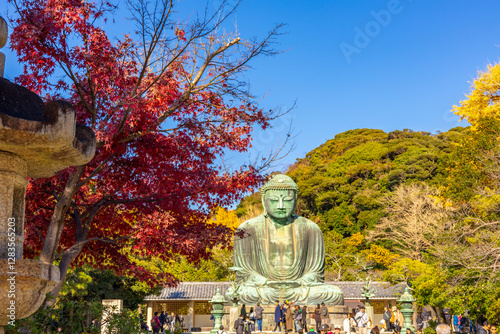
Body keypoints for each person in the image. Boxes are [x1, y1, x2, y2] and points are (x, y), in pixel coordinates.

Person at [225, 175, 344, 305]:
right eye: (274, 200)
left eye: (287, 200)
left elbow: (316, 273)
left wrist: (300, 282)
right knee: (235, 294)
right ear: (264, 200)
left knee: (333, 293)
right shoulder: (247, 229)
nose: (281, 206)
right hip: (263, 288)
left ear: (295, 200)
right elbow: (244, 272)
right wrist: (265, 282)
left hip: (300, 288)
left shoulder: (311, 228)